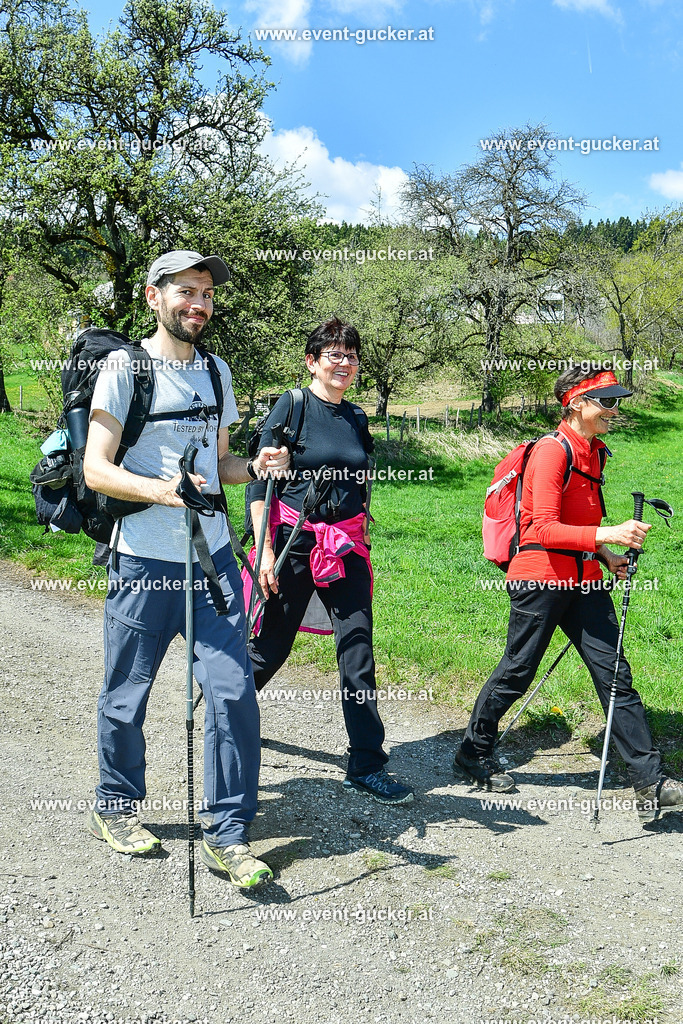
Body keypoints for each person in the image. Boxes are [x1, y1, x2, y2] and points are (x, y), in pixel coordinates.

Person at [83, 250, 289, 886]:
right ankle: (117, 806)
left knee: (232, 692)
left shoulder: (218, 372)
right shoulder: (125, 367)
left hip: (214, 559)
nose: (197, 304)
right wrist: (164, 490)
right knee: (128, 692)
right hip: (144, 561)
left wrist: (256, 467)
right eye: (184, 291)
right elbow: (96, 467)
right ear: (153, 296)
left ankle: (228, 832)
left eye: (205, 293)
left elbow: (219, 466)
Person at [454, 364, 683, 823]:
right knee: (518, 669)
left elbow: (577, 521)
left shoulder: (595, 452)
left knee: (615, 673)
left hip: (584, 579)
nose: (614, 410)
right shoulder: (551, 451)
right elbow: (540, 527)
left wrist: (604, 554)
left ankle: (650, 781)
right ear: (576, 403)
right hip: (539, 578)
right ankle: (472, 754)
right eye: (606, 402)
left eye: (617, 401)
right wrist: (610, 531)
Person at [246, 318, 414, 804]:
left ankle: (366, 764)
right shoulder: (292, 406)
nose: (344, 363)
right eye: (334, 355)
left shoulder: (358, 417)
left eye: (352, 356)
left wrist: (360, 528)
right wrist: (264, 549)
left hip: (345, 548)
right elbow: (260, 482)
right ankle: (225, 712)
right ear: (312, 362)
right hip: (294, 542)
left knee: (358, 652)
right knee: (270, 647)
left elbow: (358, 484)